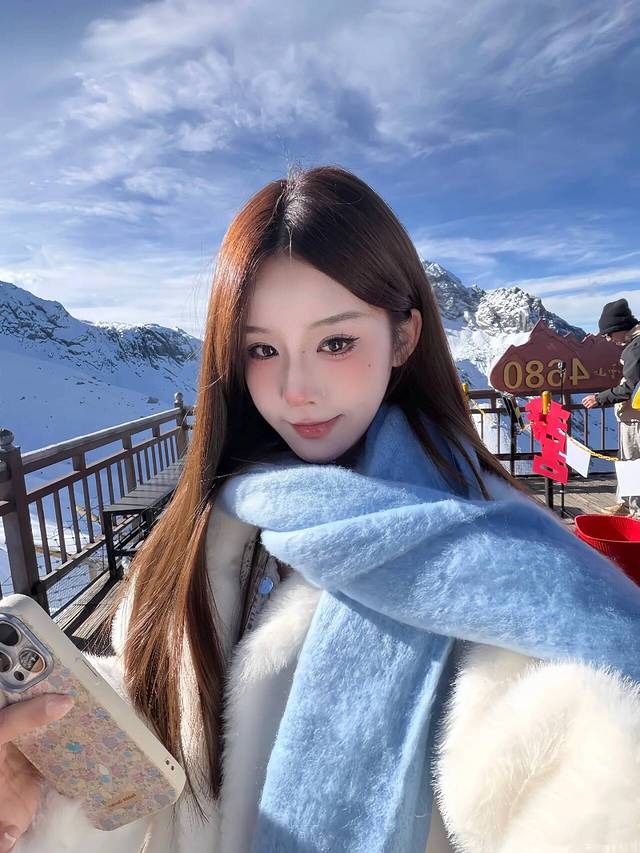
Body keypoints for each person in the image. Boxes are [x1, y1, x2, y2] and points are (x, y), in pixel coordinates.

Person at [3, 165, 640, 853]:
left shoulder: (493, 558)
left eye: (336, 342)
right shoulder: (221, 519)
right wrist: (44, 754)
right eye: (262, 349)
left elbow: (571, 753)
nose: (295, 389)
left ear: (403, 338)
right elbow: (165, 713)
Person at [581, 298, 640, 517]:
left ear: (619, 328)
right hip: (632, 416)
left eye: (608, 334)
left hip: (635, 418)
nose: (607, 339)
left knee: (633, 464)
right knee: (628, 462)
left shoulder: (634, 349)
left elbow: (631, 388)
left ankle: (635, 513)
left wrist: (600, 398)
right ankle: (626, 503)